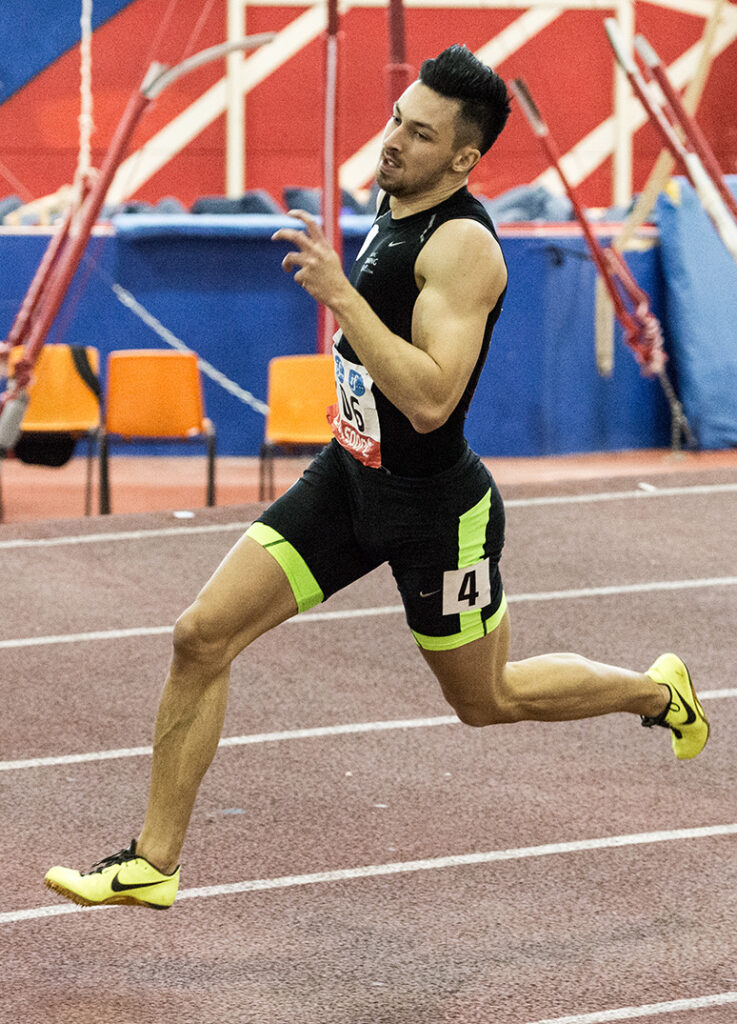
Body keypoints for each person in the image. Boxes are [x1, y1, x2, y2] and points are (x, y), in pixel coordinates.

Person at [45, 44, 709, 911]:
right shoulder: (392, 205)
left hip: (435, 511)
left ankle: (658, 694)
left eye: (419, 132)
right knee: (200, 636)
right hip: (348, 478)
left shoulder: (464, 246)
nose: (392, 138)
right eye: (398, 117)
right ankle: (153, 861)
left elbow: (433, 399)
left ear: (463, 158)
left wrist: (342, 299)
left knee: (488, 699)